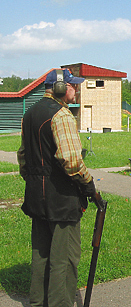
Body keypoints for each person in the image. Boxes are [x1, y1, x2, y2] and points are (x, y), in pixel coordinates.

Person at [17, 68, 97, 307]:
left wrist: (34, 180)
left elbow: (23, 156)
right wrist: (89, 183)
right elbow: (71, 160)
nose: (77, 89)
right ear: (62, 88)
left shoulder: (30, 114)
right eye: (73, 85)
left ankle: (38, 302)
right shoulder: (62, 115)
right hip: (61, 199)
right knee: (65, 258)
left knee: (41, 254)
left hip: (36, 196)